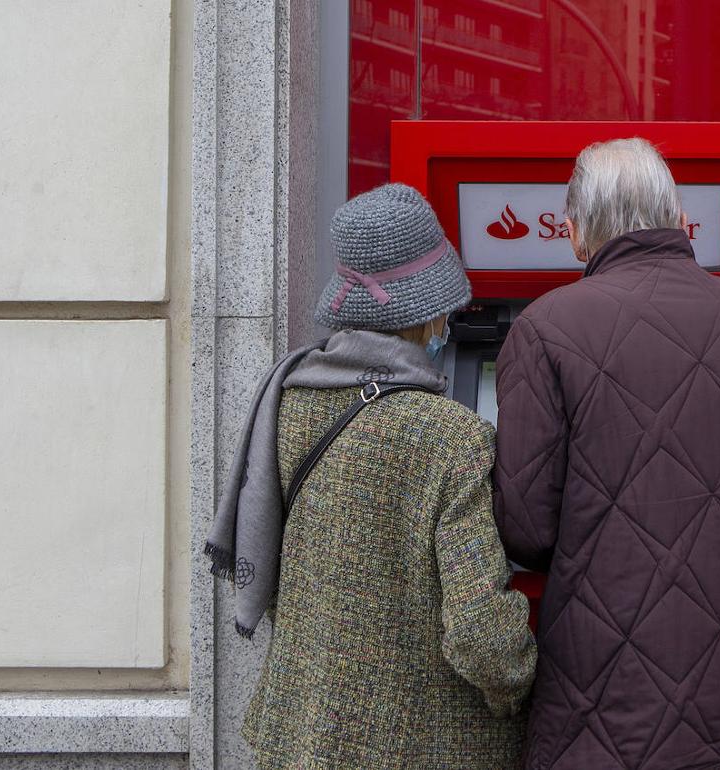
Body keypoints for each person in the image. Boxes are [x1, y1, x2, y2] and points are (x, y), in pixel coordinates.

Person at [493, 138, 720, 769]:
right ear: (675, 215)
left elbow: (526, 528)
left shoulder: (545, 327)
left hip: (614, 685)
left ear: (578, 230)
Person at [205, 183, 536, 769]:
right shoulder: (451, 437)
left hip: (304, 733)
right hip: (419, 746)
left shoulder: (287, 402)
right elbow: (481, 635)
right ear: (427, 311)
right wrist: (520, 688)